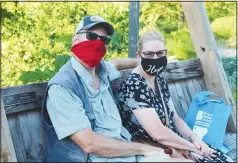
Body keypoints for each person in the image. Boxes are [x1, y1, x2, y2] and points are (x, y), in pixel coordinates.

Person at [41, 16, 192, 162]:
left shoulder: (103, 70)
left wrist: (147, 60)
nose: (98, 43)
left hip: (126, 151)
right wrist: (143, 149)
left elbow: (116, 63)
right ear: (75, 39)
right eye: (92, 36)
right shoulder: (62, 87)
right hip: (96, 158)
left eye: (104, 39)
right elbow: (89, 143)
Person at [117, 30, 233, 162]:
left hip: (175, 143)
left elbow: (174, 116)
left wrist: (195, 138)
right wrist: (193, 148)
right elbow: (159, 134)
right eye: (149, 54)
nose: (155, 58)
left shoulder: (158, 80)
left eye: (160, 53)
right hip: (152, 149)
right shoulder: (134, 86)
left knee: (222, 158)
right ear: (139, 56)